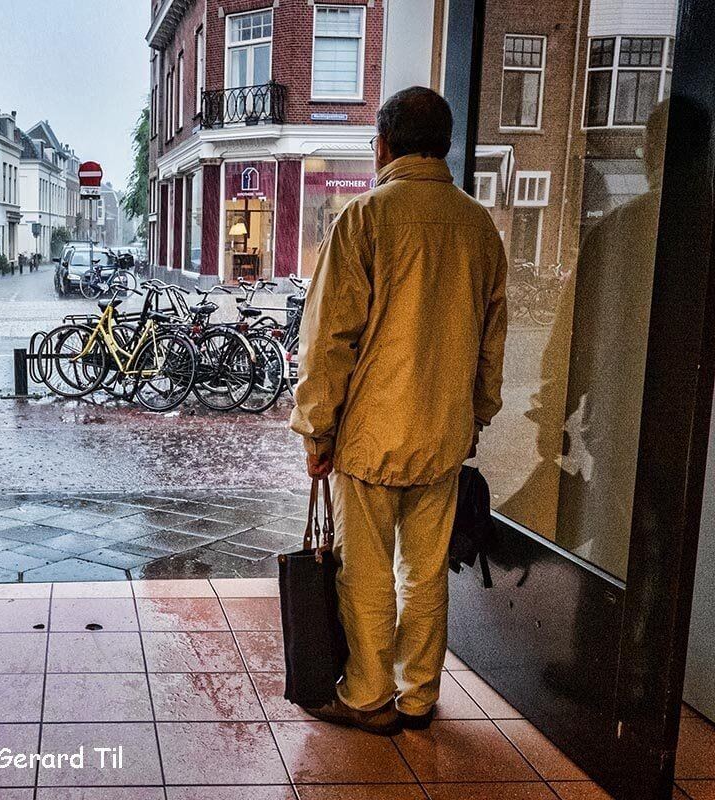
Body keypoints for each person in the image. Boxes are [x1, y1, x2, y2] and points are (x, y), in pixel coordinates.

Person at [290, 86, 508, 735]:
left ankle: (365, 694)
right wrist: (479, 414)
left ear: (382, 143)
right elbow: (491, 340)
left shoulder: (363, 220)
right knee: (425, 568)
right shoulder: (479, 228)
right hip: (443, 433)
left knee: (366, 572)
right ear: (442, 144)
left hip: (371, 435)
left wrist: (316, 429)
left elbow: (329, 339)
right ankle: (418, 696)